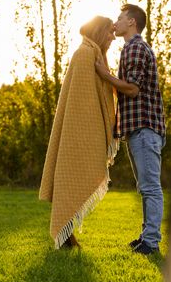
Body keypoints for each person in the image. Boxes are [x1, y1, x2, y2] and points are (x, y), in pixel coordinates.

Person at [39, 16, 119, 249]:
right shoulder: (85, 54)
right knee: (72, 179)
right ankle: (65, 236)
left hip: (83, 133)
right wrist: (91, 133)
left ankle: (68, 236)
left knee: (73, 179)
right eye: (110, 33)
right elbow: (82, 103)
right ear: (100, 32)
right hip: (79, 134)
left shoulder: (92, 53)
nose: (113, 38)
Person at [95, 4, 166, 255]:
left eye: (120, 18)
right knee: (145, 187)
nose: (116, 21)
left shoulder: (135, 48)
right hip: (138, 129)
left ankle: (151, 242)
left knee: (150, 187)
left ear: (132, 22)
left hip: (145, 128)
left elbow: (133, 89)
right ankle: (147, 237)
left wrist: (105, 75)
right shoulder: (129, 48)